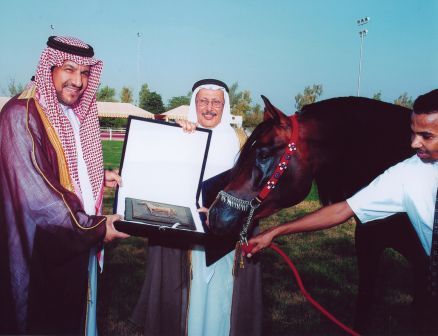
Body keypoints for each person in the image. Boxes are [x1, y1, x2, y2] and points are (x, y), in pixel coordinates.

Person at [246, 88, 438, 334]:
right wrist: (275, 232)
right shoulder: (407, 173)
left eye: (426, 136)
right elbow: (343, 210)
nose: (413, 143)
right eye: (412, 133)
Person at [0, 36, 128, 335]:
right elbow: (39, 198)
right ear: (49, 68)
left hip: (73, 241)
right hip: (41, 252)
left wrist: (96, 178)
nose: (78, 81)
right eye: (69, 69)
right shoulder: (22, 114)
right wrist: (95, 228)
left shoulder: (69, 112)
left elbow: (66, 166)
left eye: (85, 73)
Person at [130, 79, 262, 336]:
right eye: (203, 101)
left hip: (227, 233)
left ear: (224, 105)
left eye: (216, 102)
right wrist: (178, 139)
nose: (209, 108)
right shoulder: (181, 133)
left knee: (222, 292)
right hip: (187, 231)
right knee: (188, 292)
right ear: (195, 104)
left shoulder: (241, 139)